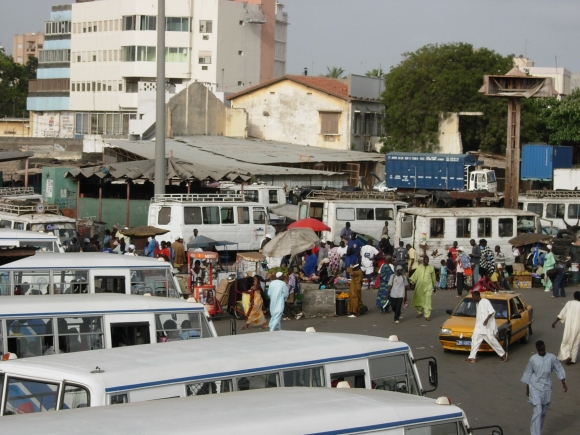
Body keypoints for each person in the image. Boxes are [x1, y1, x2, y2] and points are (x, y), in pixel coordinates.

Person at [521, 340, 567, 435]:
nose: (541, 351)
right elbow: (528, 373)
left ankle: (537, 430)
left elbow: (558, 368)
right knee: (538, 409)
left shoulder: (551, 358)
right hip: (535, 386)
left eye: (542, 349)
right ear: (537, 349)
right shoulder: (533, 359)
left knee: (543, 411)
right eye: (539, 350)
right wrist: (527, 388)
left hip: (546, 387)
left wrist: (563, 383)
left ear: (544, 347)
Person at [464, 291, 508, 363]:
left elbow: (492, 311)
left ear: (477, 296)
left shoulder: (485, 301)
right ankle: (472, 357)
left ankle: (503, 354)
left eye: (473, 297)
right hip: (479, 327)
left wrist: (486, 320)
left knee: (492, 341)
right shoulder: (477, 304)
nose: (473, 299)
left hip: (486, 327)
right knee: (474, 341)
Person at [551, 291, 580, 365]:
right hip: (578, 327)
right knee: (576, 342)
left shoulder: (569, 303)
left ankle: (567, 356)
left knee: (565, 342)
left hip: (568, 326)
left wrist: (555, 321)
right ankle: (573, 359)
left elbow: (562, 313)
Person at [409, 256, 436, 320]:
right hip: (419, 286)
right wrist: (412, 282)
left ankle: (427, 315)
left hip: (428, 286)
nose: (426, 261)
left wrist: (434, 286)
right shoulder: (419, 267)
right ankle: (419, 312)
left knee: (427, 300)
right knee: (419, 299)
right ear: (423, 260)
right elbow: (415, 275)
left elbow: (433, 277)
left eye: (427, 260)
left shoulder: (431, 268)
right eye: (425, 260)